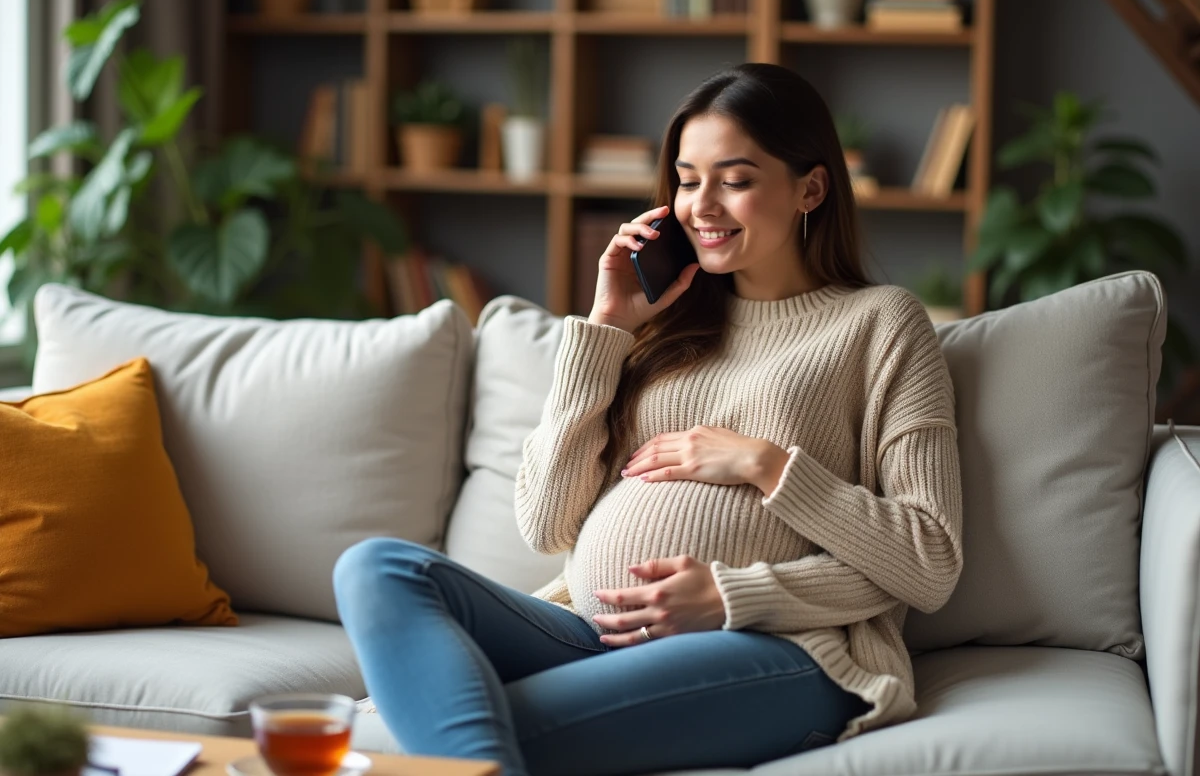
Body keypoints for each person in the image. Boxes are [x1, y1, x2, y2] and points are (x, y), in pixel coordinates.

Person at [333, 62, 964, 776]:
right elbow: (546, 524)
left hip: (781, 650)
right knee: (375, 569)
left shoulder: (882, 324)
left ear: (810, 189)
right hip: (593, 632)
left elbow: (929, 559)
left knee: (473, 728)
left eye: (735, 180)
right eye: (688, 182)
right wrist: (606, 326)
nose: (702, 207)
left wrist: (757, 486)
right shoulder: (660, 332)